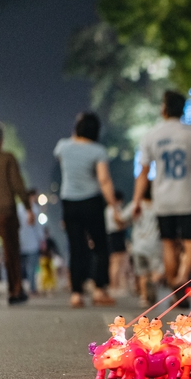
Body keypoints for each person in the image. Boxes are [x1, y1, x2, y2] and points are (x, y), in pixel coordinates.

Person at [132, 90, 191, 309]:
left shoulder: (152, 135)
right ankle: (182, 275)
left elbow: (143, 173)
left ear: (164, 108)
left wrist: (136, 201)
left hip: (163, 198)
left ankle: (176, 291)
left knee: (168, 244)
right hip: (189, 197)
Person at [54, 112, 117, 308]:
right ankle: (99, 289)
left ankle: (76, 294)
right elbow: (104, 180)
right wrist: (114, 206)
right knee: (100, 246)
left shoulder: (63, 146)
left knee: (76, 247)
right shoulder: (97, 150)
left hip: (69, 202)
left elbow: (62, 159)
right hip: (91, 201)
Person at [0, 121, 33, 306]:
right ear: (1, 140)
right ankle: (15, 291)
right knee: (11, 250)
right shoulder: (8, 158)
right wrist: (28, 208)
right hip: (5, 210)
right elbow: (17, 184)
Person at [120, 182, 163, 307]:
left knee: (142, 273)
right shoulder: (158, 206)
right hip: (154, 244)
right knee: (156, 271)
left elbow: (121, 219)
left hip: (138, 245)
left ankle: (144, 297)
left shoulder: (135, 205)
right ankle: (153, 283)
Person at [17, 189, 44, 296]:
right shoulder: (34, 209)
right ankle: (32, 288)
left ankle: (18, 287)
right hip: (32, 242)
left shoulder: (18, 208)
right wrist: (41, 240)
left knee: (20, 266)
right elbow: (38, 228)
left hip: (20, 241)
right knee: (31, 266)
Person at [105, 190, 131, 295]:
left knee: (114, 262)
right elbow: (119, 223)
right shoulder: (114, 209)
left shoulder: (107, 209)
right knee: (117, 262)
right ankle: (115, 286)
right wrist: (127, 223)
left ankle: (114, 286)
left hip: (110, 235)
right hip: (116, 235)